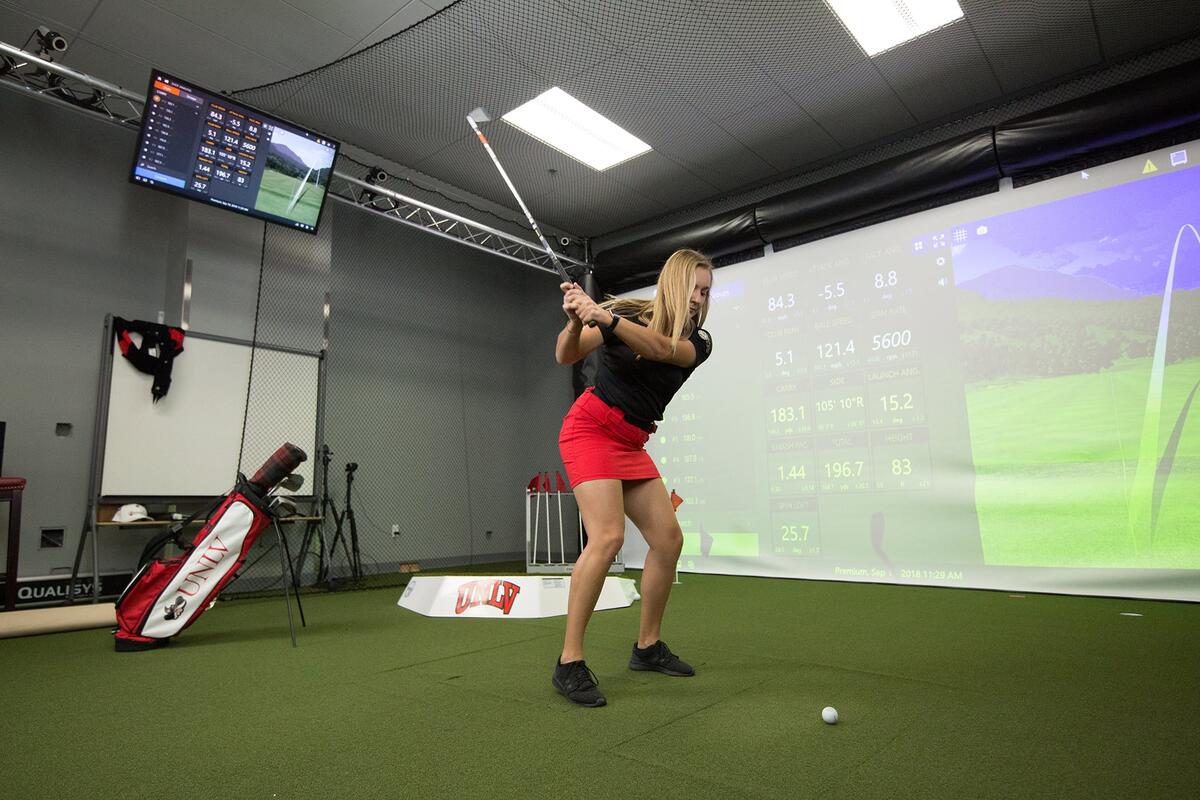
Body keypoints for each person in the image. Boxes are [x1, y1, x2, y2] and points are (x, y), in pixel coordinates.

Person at [551, 249, 714, 707]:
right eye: (696, 289)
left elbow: (660, 349)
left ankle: (647, 647)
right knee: (606, 537)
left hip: (631, 441)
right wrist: (575, 320)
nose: (701, 299)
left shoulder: (697, 341)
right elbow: (566, 355)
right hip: (590, 428)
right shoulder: (624, 312)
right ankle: (569, 662)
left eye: (707, 291)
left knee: (668, 539)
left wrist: (604, 317)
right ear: (675, 285)